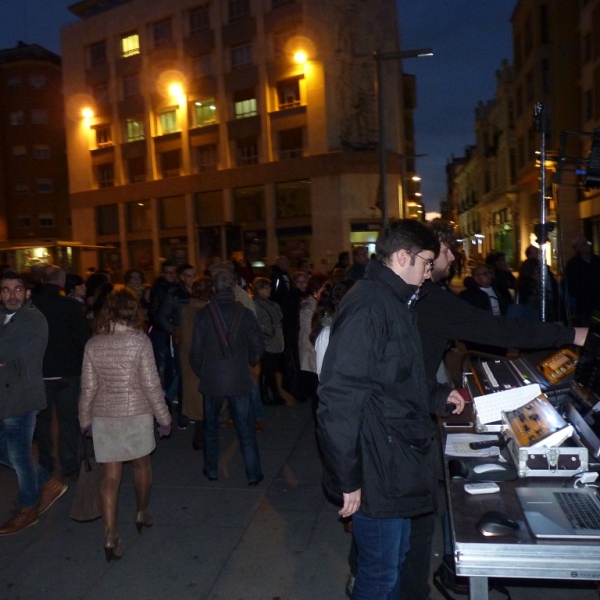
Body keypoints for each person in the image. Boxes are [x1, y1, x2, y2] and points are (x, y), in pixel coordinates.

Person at [401, 222, 588, 600]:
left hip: (410, 410)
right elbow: (496, 330)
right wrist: (570, 335)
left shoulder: (417, 297)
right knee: (409, 528)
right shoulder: (429, 299)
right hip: (401, 426)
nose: (453, 258)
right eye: (447, 251)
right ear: (425, 253)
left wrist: (438, 395)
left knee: (416, 523)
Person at [317, 219, 465, 599]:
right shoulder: (370, 305)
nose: (429, 274)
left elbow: (399, 376)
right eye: (427, 263)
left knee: (395, 560)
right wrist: (348, 478)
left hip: (395, 458)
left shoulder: (392, 301)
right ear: (403, 257)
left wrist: (438, 396)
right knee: (379, 575)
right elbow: (339, 399)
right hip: (379, 465)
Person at [79, 289, 171, 562]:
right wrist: (164, 418)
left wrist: (85, 420)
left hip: (105, 417)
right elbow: (152, 385)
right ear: (134, 312)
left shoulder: (93, 344)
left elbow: (88, 388)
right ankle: (141, 513)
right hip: (136, 416)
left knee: (110, 476)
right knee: (142, 465)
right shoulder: (140, 342)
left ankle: (110, 535)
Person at [0, 270, 67, 536]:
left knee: (18, 453)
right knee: (10, 453)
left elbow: (3, 351)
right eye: (5, 289)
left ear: (27, 292)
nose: (12, 295)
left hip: (22, 397)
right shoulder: (4, 317)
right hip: (4, 398)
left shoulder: (32, 319)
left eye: (17, 289)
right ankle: (47, 482)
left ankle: (29, 507)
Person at [189, 270, 265, 485]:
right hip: (239, 380)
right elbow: (258, 348)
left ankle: (211, 470)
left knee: (210, 429)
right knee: (246, 430)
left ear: (213, 288)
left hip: (211, 380)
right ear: (233, 288)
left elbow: (195, 353)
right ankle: (253, 473)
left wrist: (203, 372)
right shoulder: (246, 314)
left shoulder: (203, 315)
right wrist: (247, 363)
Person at [33, 265, 91, 481]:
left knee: (43, 421)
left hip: (40, 373)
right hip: (67, 371)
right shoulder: (70, 306)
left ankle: (46, 463)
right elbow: (82, 338)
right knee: (69, 420)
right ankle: (69, 464)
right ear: (61, 282)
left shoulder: (32, 306)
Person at [158, 263, 197, 429]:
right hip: (181, 341)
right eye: (188, 275)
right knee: (183, 377)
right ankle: (183, 414)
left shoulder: (198, 292)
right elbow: (162, 316)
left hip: (198, 339)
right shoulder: (174, 294)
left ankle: (195, 411)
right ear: (182, 277)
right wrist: (175, 331)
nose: (192, 279)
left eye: (194, 275)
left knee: (196, 376)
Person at [179, 277, 213, 451]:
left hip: (189, 362)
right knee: (205, 400)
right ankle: (202, 437)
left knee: (197, 400)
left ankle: (200, 436)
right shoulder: (206, 312)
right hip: (203, 362)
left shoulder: (187, 310)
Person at [252, 277, 286, 406]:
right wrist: (269, 332)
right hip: (267, 341)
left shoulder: (269, 302)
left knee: (272, 369)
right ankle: (267, 395)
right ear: (259, 290)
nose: (270, 289)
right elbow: (258, 322)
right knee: (268, 369)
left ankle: (271, 394)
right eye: (267, 287)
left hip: (275, 339)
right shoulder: (257, 303)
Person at [565, 236, 600, 326]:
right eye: (582, 245)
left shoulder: (596, 260)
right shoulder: (573, 264)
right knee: (586, 325)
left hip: (597, 299)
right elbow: (570, 283)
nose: (586, 246)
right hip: (583, 302)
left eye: (587, 244)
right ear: (577, 248)